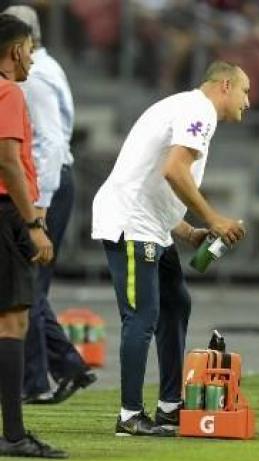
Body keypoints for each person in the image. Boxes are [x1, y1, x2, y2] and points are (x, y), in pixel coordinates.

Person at [91, 61, 248, 437]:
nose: (248, 101)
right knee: (142, 316)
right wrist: (213, 219)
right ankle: (130, 415)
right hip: (132, 225)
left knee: (177, 303)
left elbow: (147, 174)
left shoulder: (184, 107)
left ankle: (169, 406)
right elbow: (174, 171)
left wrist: (187, 231)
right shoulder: (199, 112)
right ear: (225, 86)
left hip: (152, 226)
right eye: (245, 91)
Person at [3, 5, 96, 406]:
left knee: (28, 289)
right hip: (43, 184)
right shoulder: (45, 68)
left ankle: (35, 379)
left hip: (40, 187)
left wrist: (37, 209)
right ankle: (65, 366)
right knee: (29, 287)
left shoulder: (33, 79)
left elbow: (51, 145)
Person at [0, 13, 66, 459]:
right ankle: (14, 435)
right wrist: (34, 224)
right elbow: (8, 160)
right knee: (12, 321)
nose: (31, 57)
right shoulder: (7, 91)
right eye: (29, 49)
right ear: (17, 49)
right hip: (7, 213)